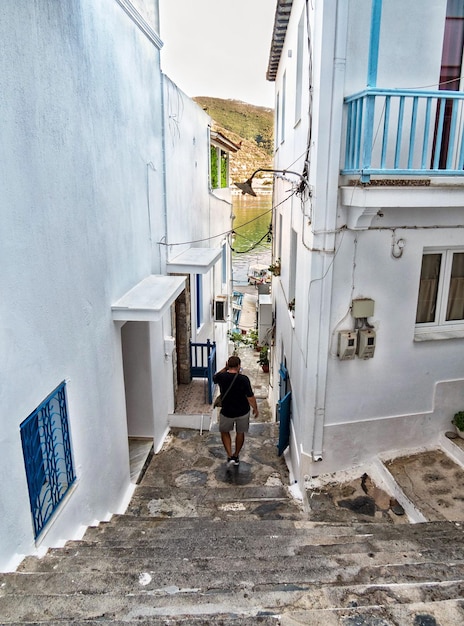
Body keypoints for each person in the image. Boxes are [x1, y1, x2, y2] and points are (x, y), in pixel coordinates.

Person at [213, 355, 258, 466]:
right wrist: (255, 408)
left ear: (228, 365)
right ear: (239, 366)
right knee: (240, 433)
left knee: (225, 432)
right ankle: (236, 455)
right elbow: (250, 397)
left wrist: (225, 368)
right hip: (242, 411)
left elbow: (215, 377)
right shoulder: (244, 379)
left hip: (227, 411)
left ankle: (229, 455)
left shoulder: (222, 377)